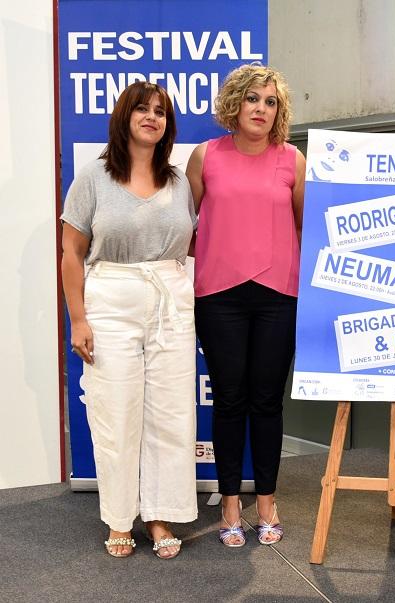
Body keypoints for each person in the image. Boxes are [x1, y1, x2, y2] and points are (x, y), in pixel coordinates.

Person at [61, 81, 198, 559]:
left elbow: (194, 244)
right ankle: (120, 519)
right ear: (124, 117)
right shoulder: (93, 178)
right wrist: (78, 319)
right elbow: (72, 253)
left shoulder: (180, 182)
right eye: (142, 109)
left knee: (170, 413)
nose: (152, 117)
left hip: (170, 300)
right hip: (111, 299)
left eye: (160, 111)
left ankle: (159, 516)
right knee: (115, 411)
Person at [186, 63, 305, 547]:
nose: (261, 108)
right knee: (230, 401)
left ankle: (268, 501)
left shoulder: (292, 160)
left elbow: (302, 225)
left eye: (270, 101)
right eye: (253, 99)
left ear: (279, 111)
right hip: (218, 296)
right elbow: (185, 226)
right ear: (234, 103)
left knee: (267, 401)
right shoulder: (205, 156)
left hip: (278, 294)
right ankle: (231, 501)